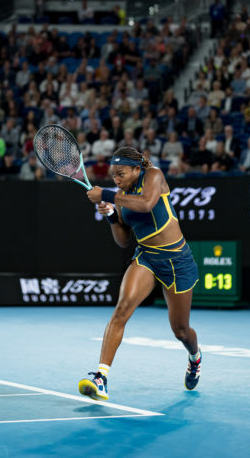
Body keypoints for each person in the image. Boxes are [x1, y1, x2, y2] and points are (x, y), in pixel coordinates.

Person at [82, 146, 201, 401]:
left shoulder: (154, 176)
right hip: (146, 257)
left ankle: (194, 357)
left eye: (121, 173)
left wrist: (107, 195)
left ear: (137, 169)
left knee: (181, 331)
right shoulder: (121, 195)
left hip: (177, 261)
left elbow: (147, 204)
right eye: (114, 174)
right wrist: (113, 217)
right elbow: (124, 241)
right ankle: (101, 378)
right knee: (121, 310)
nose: (116, 179)